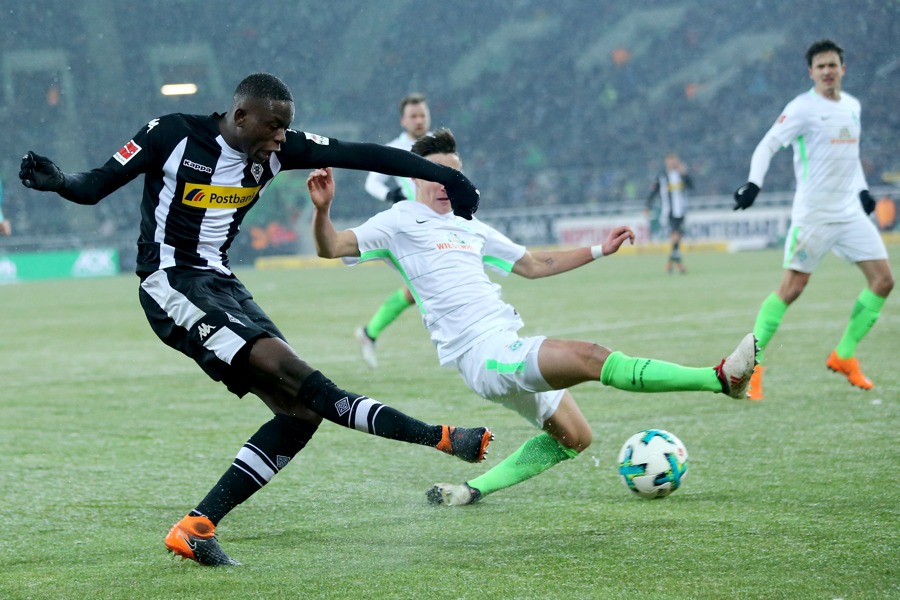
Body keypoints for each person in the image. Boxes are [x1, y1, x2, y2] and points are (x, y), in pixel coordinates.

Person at [18, 73, 490, 566]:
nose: (280, 138)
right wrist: (61, 183)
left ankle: (197, 527)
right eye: (272, 127)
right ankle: (440, 437)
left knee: (301, 412)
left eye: (286, 129)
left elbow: (367, 154)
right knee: (305, 382)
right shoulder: (170, 134)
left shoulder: (277, 150)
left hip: (222, 284)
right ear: (240, 116)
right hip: (171, 284)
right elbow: (94, 185)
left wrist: (448, 177)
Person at [307, 128, 758, 507]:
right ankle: (720, 378)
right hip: (482, 353)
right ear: (415, 177)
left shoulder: (469, 225)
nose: (447, 181)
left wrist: (601, 248)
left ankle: (471, 491)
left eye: (455, 173)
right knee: (592, 357)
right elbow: (331, 247)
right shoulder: (398, 221)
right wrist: (323, 209)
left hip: (504, 341)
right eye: (437, 173)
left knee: (576, 438)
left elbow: (535, 265)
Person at [733, 39, 894, 400]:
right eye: (820, 66)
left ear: (843, 69)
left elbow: (850, 158)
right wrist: (754, 184)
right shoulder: (802, 108)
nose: (827, 71)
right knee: (791, 289)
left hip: (849, 213)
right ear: (811, 73)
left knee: (883, 281)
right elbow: (768, 143)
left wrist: (863, 191)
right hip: (813, 215)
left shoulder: (852, 107)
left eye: (832, 65)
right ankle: (751, 367)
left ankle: (844, 355)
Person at [355, 93, 431, 368]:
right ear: (403, 120)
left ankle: (369, 332)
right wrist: (392, 194)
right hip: (413, 229)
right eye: (413, 116)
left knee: (416, 290)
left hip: (440, 226)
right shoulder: (395, 149)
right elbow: (371, 183)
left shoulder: (440, 145)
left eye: (422, 114)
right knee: (427, 283)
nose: (419, 120)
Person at [646, 152, 692, 274]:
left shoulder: (681, 175)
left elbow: (691, 186)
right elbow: (653, 191)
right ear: (666, 162)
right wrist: (647, 206)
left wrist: (685, 174)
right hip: (669, 211)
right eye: (670, 161)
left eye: (674, 161)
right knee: (675, 236)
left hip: (681, 211)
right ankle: (679, 264)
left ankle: (670, 263)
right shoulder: (662, 176)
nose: (672, 163)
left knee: (677, 239)